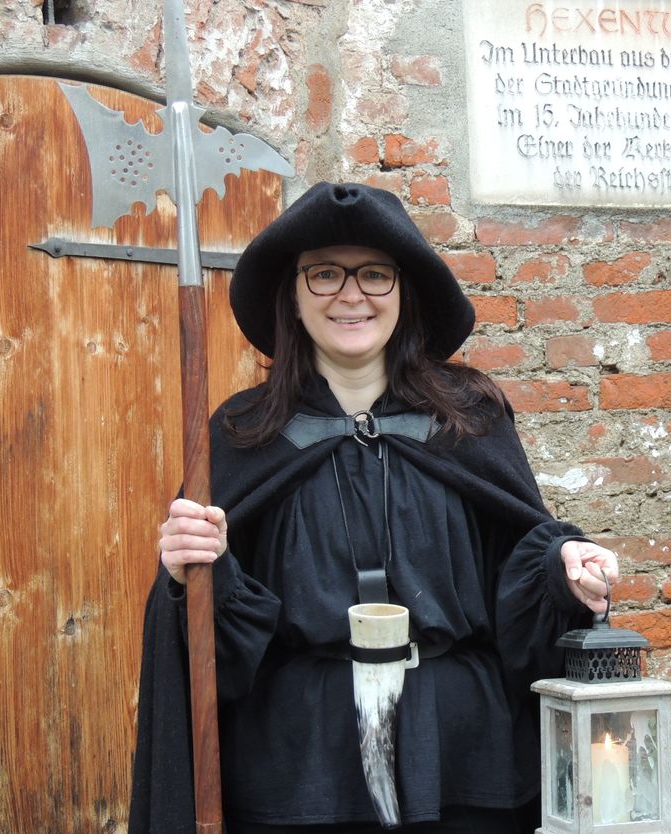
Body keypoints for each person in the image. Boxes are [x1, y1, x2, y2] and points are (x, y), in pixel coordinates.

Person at [128, 182, 620, 834]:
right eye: (325, 273)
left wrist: (565, 565)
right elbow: (211, 646)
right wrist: (193, 567)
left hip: (462, 762)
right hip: (303, 773)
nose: (350, 294)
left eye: (374, 275)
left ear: (405, 291)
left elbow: (519, 571)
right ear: (294, 295)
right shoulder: (242, 436)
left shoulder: (469, 421)